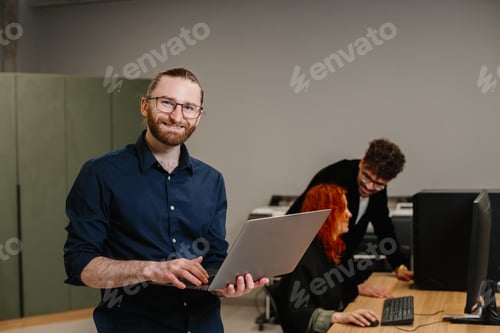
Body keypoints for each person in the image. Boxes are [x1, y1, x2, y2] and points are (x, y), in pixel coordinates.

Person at [63, 67, 268, 333]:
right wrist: (151, 270)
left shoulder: (212, 180)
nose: (177, 116)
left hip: (204, 325)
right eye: (167, 103)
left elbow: (215, 260)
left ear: (199, 116)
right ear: (144, 105)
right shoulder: (100, 174)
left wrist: (228, 286)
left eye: (189, 107)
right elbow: (80, 264)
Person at [287, 138, 413, 298]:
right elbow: (332, 241)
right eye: (367, 177)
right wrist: (355, 284)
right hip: (310, 260)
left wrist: (399, 265)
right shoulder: (335, 177)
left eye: (378, 184)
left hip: (337, 263)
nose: (369, 187)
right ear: (362, 162)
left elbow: (384, 226)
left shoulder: (377, 190)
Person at [276, 183, 379, 333]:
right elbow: (299, 314)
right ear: (327, 214)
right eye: (343, 209)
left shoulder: (329, 249)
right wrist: (339, 317)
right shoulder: (305, 257)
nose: (349, 214)